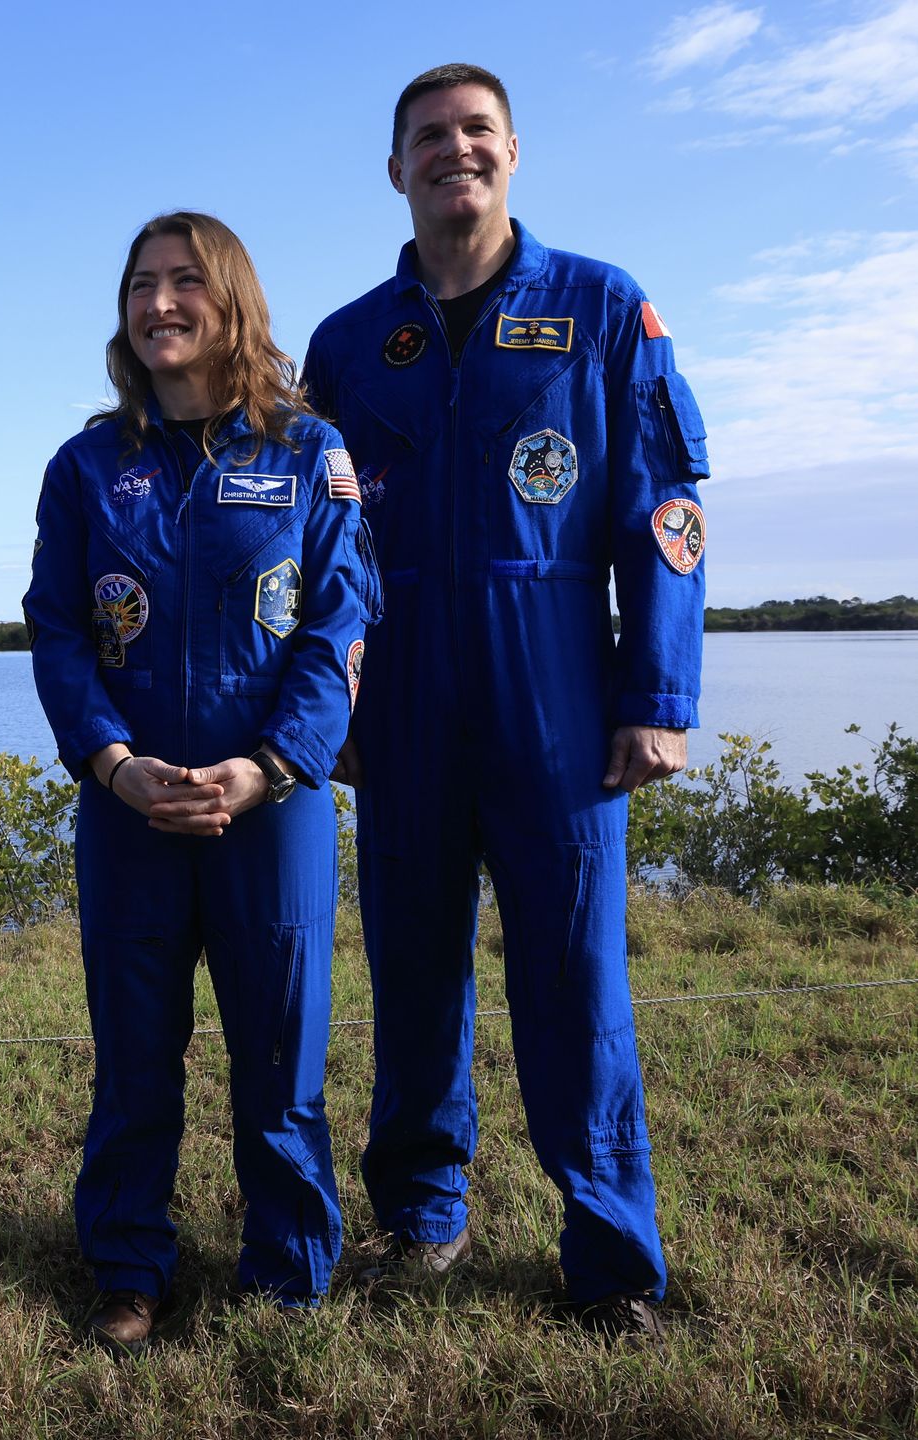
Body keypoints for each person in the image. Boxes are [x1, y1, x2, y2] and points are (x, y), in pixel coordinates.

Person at [302, 64, 709, 1339]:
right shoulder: (350, 343)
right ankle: (421, 1217)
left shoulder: (601, 308)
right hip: (404, 689)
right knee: (413, 968)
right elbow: (314, 555)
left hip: (556, 688)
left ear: (515, 153)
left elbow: (667, 512)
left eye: (477, 132)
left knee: (575, 983)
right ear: (395, 169)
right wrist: (330, 713)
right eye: (429, 137)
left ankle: (610, 1257)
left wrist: (657, 693)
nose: (454, 152)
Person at [24, 212, 377, 1354]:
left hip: (270, 809)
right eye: (141, 284)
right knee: (134, 1057)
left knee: (280, 1055)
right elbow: (59, 632)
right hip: (130, 811)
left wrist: (269, 766)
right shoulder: (87, 466)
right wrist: (113, 765)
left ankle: (287, 1269)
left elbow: (339, 623)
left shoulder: (307, 451)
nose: (159, 302)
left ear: (231, 299)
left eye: (184, 281)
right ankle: (130, 1263)